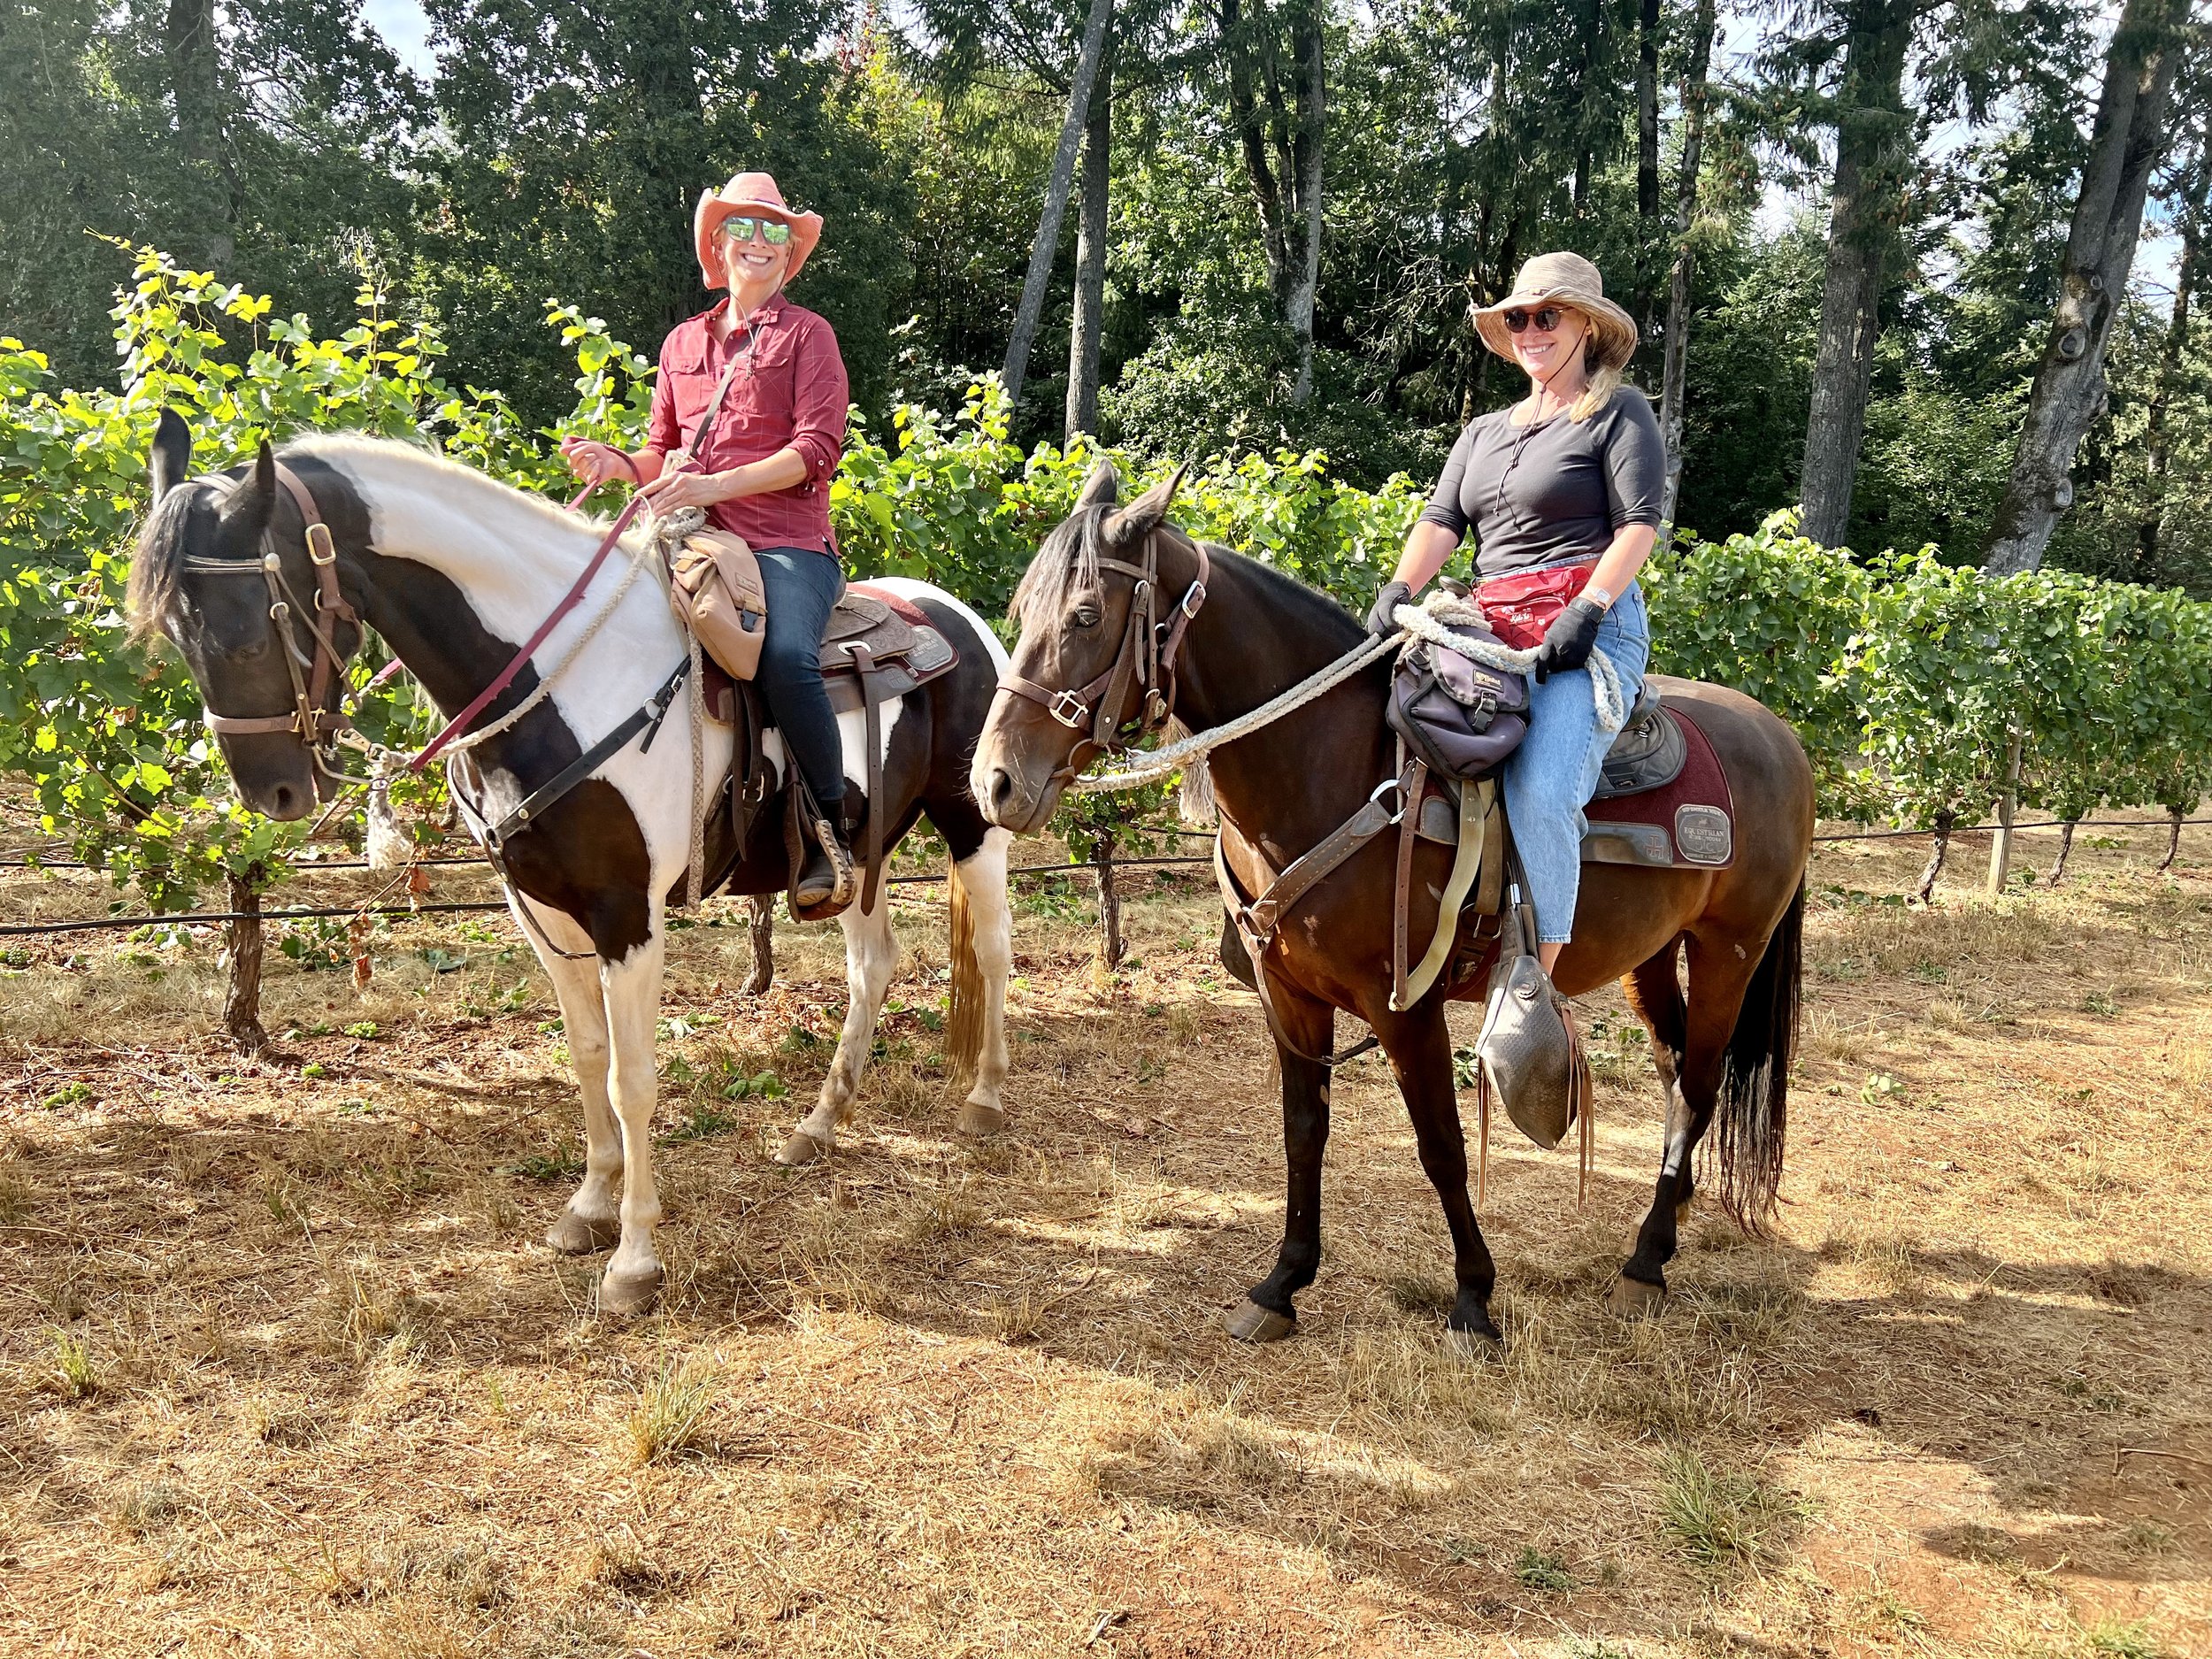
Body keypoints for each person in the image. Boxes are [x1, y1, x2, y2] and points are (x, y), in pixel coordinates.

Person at [560, 172, 857, 914]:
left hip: (789, 545)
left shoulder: (808, 336)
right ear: (717, 244)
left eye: (775, 232)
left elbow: (816, 450)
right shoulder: (682, 343)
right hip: (693, 542)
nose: (759, 243)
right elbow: (665, 451)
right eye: (745, 228)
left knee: (786, 657)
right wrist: (620, 464)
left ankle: (830, 825)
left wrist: (710, 489)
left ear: (789, 254)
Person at [1367, 251, 1659, 976]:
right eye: (1518, 317)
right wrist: (1398, 589)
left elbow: (1639, 525)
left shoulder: (1619, 411)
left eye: (1546, 315)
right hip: (1489, 625)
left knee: (1540, 788)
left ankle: (1536, 981)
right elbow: (1442, 520)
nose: (1529, 329)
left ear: (1587, 326)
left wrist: (1590, 608)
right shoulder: (1485, 431)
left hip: (1584, 632)